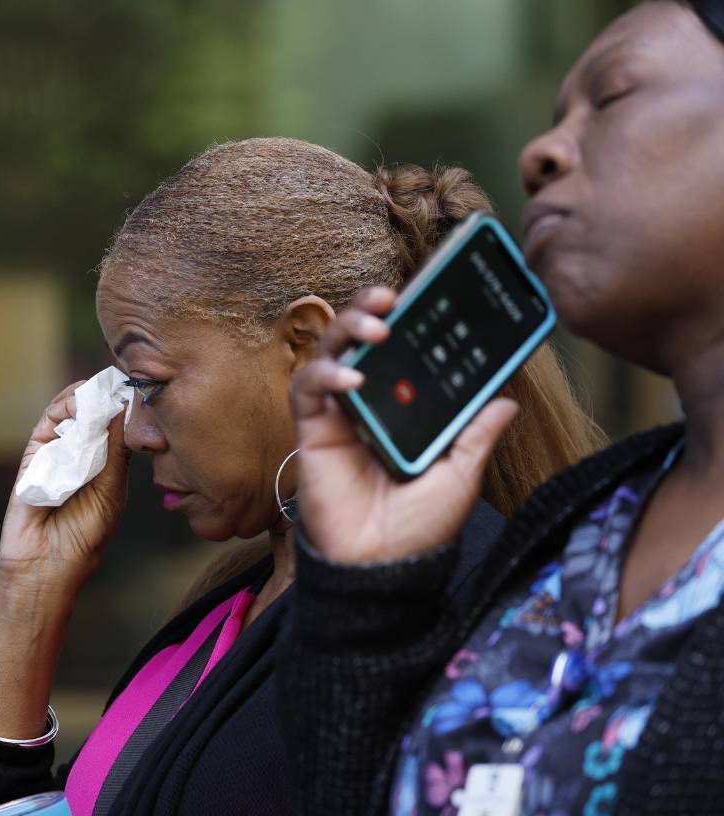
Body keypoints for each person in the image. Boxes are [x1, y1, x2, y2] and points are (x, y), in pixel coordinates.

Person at [0, 137, 603, 815]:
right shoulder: (229, 602)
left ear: (306, 343)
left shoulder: (444, 609)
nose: (133, 431)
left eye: (149, 381)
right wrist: (28, 597)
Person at [282, 1, 724, 813]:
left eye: (614, 96)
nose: (540, 153)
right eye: (557, 117)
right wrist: (366, 589)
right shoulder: (580, 518)